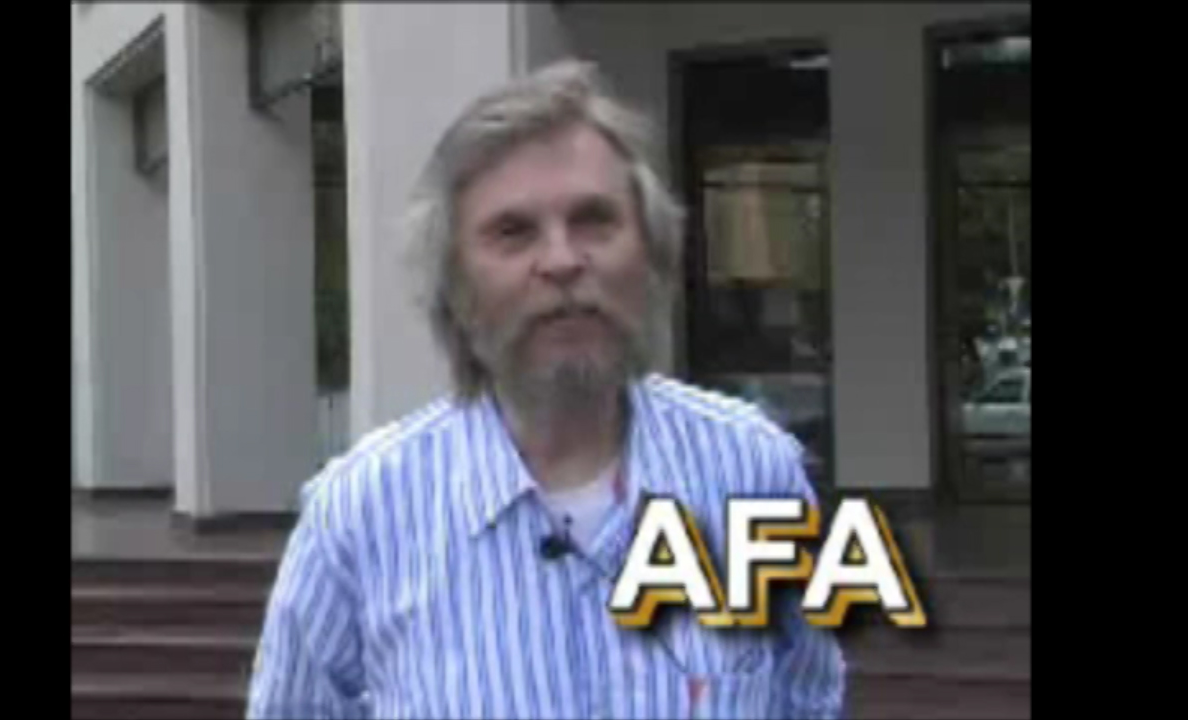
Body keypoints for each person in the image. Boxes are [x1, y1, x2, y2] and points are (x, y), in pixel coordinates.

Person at [247, 59, 845, 720]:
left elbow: (810, 698)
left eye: (593, 220)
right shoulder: (359, 517)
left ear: (650, 255)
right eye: (513, 232)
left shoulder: (754, 471)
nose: (561, 261)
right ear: (455, 284)